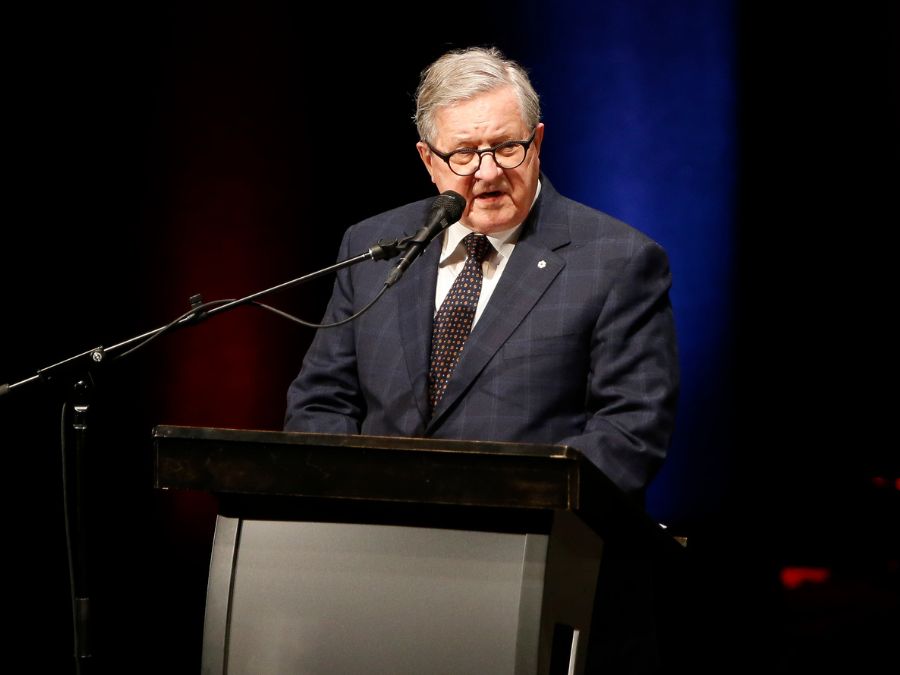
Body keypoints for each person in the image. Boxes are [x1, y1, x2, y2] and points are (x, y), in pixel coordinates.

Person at [284, 46, 680, 671]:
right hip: (376, 575)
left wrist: (491, 504)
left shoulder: (617, 260)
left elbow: (631, 433)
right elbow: (319, 403)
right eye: (464, 155)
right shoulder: (373, 246)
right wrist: (361, 506)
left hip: (536, 580)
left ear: (538, 141)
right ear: (428, 160)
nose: (488, 173)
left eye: (506, 148)